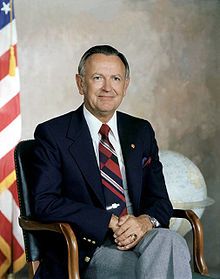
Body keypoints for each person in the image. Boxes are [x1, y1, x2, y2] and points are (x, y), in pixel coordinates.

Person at [32, 45, 192, 279]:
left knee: (170, 240)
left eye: (115, 78)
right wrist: (108, 221)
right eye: (98, 78)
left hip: (142, 237)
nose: (108, 87)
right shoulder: (53, 134)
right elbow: (44, 203)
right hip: (89, 249)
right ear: (80, 83)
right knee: (159, 267)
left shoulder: (140, 131)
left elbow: (160, 201)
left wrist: (145, 222)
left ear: (125, 85)